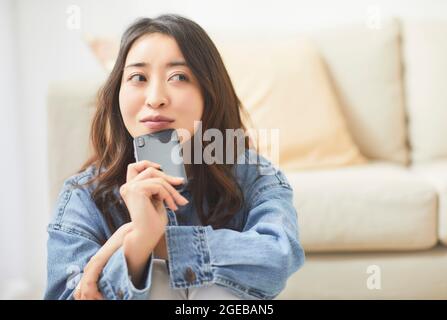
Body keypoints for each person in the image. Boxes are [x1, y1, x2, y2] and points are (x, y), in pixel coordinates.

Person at [44, 14, 305, 300]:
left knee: (214, 287)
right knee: (154, 277)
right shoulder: (83, 194)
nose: (155, 98)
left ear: (209, 93)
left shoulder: (252, 174)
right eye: (138, 77)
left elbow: (279, 257)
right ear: (117, 94)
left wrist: (155, 242)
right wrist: (136, 248)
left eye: (179, 77)